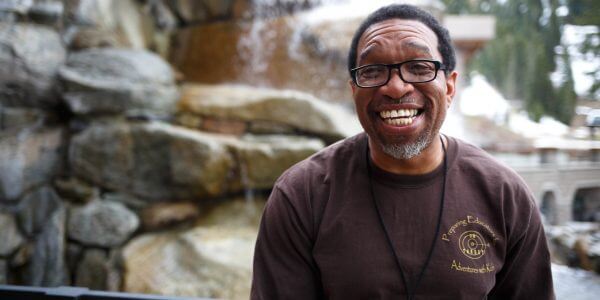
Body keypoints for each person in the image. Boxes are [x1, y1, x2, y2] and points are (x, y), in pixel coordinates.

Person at [251, 4, 555, 300]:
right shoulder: (302, 195)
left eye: (419, 68)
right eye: (372, 70)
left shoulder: (504, 195)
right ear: (354, 90)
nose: (396, 88)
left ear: (450, 88)